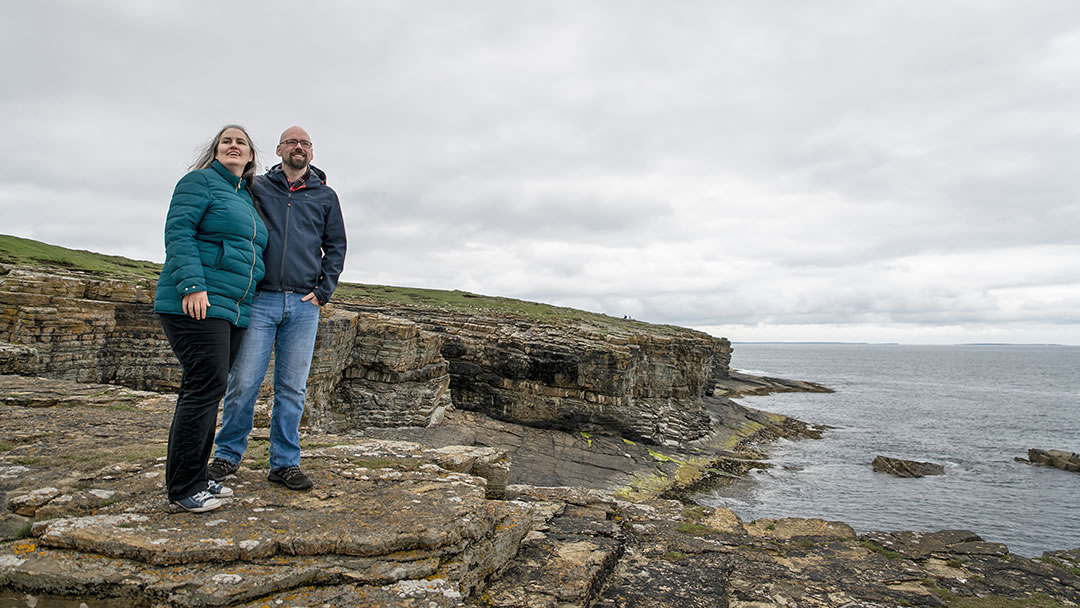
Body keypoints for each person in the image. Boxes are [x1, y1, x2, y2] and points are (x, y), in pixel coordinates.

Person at [208, 125, 347, 491]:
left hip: (304, 305)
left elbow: (336, 247)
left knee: (292, 389)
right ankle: (226, 455)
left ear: (311, 152)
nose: (297, 147)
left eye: (304, 143)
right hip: (261, 299)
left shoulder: (326, 196)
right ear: (279, 149)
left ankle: (285, 463)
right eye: (291, 142)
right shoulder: (258, 188)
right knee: (244, 383)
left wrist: (323, 291)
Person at [155, 125, 268, 513]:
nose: (234, 146)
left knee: (208, 388)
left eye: (241, 142)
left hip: (231, 307)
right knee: (204, 387)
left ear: (251, 156)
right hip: (197, 301)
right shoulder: (200, 182)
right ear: (216, 151)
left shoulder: (246, 198)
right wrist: (191, 285)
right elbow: (179, 231)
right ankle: (184, 488)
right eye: (227, 141)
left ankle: (197, 478)